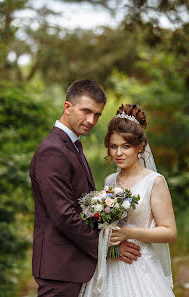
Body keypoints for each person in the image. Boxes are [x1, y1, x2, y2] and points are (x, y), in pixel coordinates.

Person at [29, 80, 141, 297]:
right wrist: (108, 248)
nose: (91, 120)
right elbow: (64, 215)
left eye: (97, 115)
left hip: (73, 266)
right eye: (86, 111)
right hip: (60, 268)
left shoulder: (69, 146)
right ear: (68, 107)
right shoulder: (53, 150)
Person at [79, 104, 177, 297]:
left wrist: (130, 232)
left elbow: (170, 232)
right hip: (109, 265)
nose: (118, 153)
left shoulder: (154, 182)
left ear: (140, 147)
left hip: (139, 264)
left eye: (126, 146)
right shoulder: (110, 181)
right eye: (113, 146)